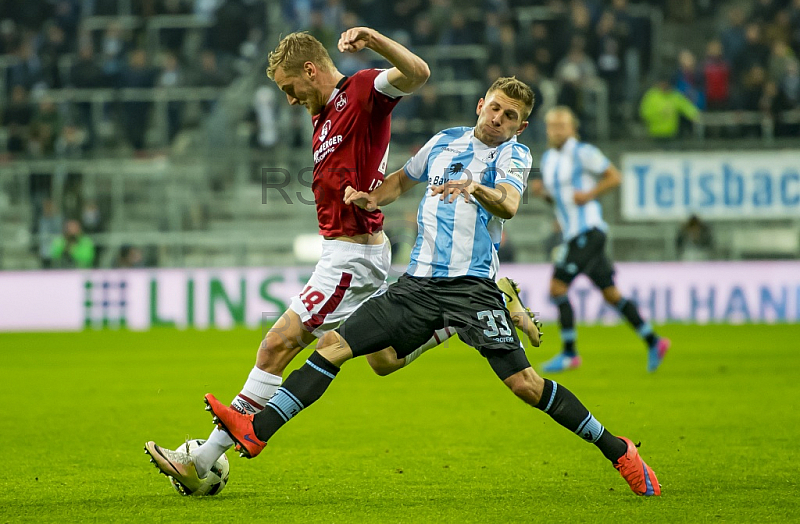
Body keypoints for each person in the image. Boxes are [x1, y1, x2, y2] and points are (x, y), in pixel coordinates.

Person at [204, 78, 661, 497]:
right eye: (494, 108)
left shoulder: (513, 156)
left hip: (471, 289)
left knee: (525, 385)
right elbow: (403, 179)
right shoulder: (444, 141)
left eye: (509, 117)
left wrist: (475, 187)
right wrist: (371, 197)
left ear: (520, 126)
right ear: (481, 105)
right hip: (417, 285)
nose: (498, 119)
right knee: (335, 346)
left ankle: (618, 449)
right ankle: (257, 431)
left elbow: (510, 205)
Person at [145, 29, 539, 495]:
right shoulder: (323, 116)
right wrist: (371, 195)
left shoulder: (362, 91)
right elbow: (384, 179)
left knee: (277, 345)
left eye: (291, 88)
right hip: (356, 252)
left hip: (350, 258)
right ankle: (460, 315)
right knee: (384, 361)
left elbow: (417, 73)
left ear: (311, 70)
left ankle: (203, 459)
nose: (290, 100)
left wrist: (372, 39)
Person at [532, 107, 670, 373]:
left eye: (562, 126)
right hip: (573, 233)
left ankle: (570, 353)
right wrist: (543, 195)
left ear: (573, 128)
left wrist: (590, 194)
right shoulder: (548, 159)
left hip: (589, 231)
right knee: (611, 293)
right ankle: (654, 341)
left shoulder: (584, 153)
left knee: (557, 288)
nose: (556, 131)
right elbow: (560, 199)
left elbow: (615, 176)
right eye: (552, 126)